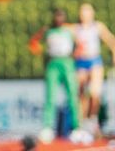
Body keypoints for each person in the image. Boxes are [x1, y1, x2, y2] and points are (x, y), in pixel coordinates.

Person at [73, 3, 115, 135]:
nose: (84, 14)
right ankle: (81, 122)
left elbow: (111, 40)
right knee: (81, 94)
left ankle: (93, 119)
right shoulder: (75, 29)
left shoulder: (97, 27)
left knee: (95, 92)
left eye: (87, 12)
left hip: (94, 61)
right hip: (80, 63)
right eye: (82, 12)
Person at [33, 8, 82, 141]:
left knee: (72, 95)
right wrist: (40, 51)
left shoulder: (69, 30)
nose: (59, 19)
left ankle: (76, 128)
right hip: (53, 63)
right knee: (50, 96)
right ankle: (48, 128)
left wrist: (74, 56)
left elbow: (80, 46)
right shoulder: (48, 30)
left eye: (61, 16)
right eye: (57, 16)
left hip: (67, 63)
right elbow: (33, 43)